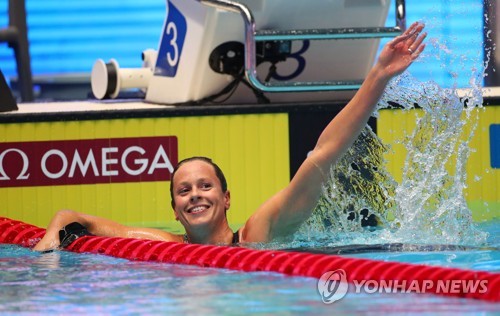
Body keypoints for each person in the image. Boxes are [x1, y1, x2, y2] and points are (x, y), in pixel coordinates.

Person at [34, 22, 427, 251]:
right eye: (183, 191)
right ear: (174, 209)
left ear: (226, 198)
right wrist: (53, 236)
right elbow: (79, 219)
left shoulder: (259, 232)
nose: (195, 196)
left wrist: (376, 78)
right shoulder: (168, 246)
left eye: (205, 186)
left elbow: (321, 155)